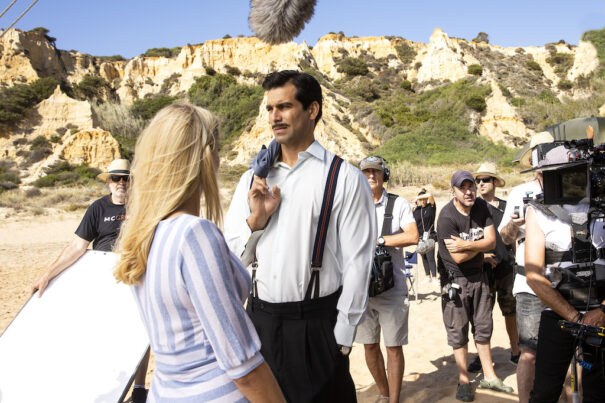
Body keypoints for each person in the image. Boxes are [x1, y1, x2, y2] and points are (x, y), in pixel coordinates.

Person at [114, 103, 285, 403]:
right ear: (204, 158)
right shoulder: (194, 234)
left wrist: (255, 222)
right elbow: (243, 366)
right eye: (216, 149)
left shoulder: (146, 232)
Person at [224, 70, 376, 403]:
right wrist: (256, 221)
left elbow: (358, 263)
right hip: (259, 323)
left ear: (312, 110)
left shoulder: (345, 178)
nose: (274, 117)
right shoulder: (251, 179)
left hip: (316, 326)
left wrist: (342, 336)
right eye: (269, 109)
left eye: (284, 106)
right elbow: (232, 259)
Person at [31, 159, 150, 403]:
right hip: (103, 278)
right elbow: (77, 246)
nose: (121, 183)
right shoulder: (97, 209)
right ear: (108, 182)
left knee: (140, 332)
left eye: (125, 179)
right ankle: (104, 388)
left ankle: (139, 389)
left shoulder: (142, 208)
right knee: (102, 333)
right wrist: (47, 275)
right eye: (115, 178)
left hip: (134, 275)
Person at [524, 144, 605, 403]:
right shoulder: (538, 212)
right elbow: (533, 276)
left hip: (600, 311)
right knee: (546, 390)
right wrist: (573, 317)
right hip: (559, 313)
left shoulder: (601, 209)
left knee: (598, 391)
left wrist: (602, 310)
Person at [437, 170, 513, 402]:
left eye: (472, 186)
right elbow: (457, 259)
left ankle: (489, 375)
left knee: (483, 327)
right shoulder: (446, 217)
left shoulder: (481, 207)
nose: (469, 191)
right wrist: (481, 248)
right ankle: (463, 381)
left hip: (480, 277)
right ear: (454, 191)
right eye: (464, 188)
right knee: (458, 332)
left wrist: (467, 244)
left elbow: (492, 241)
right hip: (455, 281)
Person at [355, 156, 418, 403]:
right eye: (366, 171)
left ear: (385, 175)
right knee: (369, 345)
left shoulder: (399, 204)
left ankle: (394, 399)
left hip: (393, 290)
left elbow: (413, 236)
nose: (371, 175)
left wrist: (380, 241)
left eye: (376, 171)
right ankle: (383, 392)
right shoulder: (353, 204)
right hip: (361, 290)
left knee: (393, 347)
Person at [498, 131, 552, 403]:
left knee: (567, 352)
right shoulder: (520, 192)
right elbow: (504, 237)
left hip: (565, 283)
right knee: (529, 353)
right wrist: (514, 226)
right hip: (529, 285)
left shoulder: (576, 188)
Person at [466, 163, 520, 374]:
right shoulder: (472, 207)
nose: (480, 184)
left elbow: (515, 236)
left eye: (485, 180)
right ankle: (482, 356)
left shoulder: (507, 206)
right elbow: (466, 236)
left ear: (495, 182)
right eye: (478, 180)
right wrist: (482, 255)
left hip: (507, 268)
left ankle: (515, 352)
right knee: (481, 315)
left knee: (511, 312)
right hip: (482, 270)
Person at [412, 188, 438, 286]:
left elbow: (430, 195)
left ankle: (434, 277)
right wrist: (412, 207)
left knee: (431, 257)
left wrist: (418, 196)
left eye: (424, 198)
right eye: (421, 199)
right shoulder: (417, 210)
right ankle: (428, 276)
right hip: (420, 237)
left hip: (430, 235)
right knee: (424, 257)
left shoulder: (431, 207)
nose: (423, 201)